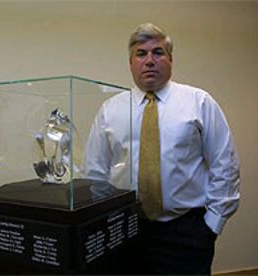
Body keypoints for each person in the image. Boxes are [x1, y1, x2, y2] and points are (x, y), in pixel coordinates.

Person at [84, 23, 240, 275]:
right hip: (125, 231)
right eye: (141, 53)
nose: (149, 60)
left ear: (170, 59)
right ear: (130, 63)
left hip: (186, 232)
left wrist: (211, 225)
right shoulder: (110, 110)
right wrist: (102, 222)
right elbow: (95, 172)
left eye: (157, 52)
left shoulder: (198, 102)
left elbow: (225, 165)